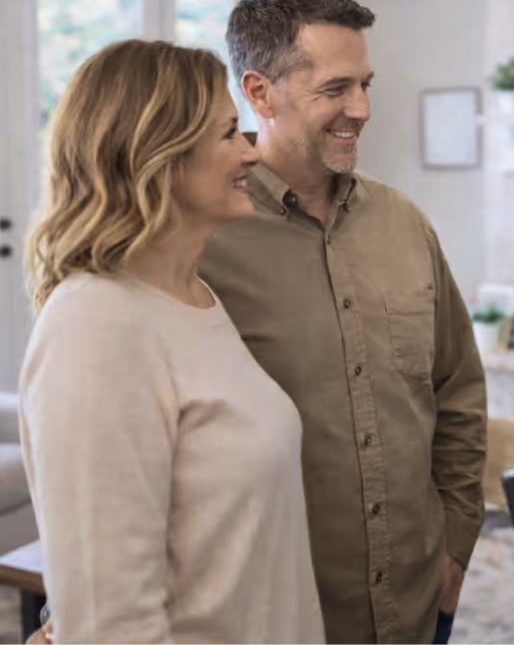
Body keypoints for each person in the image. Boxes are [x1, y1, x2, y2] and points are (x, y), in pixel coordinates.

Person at [199, 0, 487, 645]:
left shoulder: (404, 222)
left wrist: (457, 543)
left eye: (366, 84)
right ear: (259, 91)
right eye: (335, 88)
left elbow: (458, 388)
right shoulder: (202, 238)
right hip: (278, 616)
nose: (360, 108)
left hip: (418, 605)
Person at [19, 39, 324, 644]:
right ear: (157, 154)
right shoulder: (96, 325)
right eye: (229, 132)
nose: (251, 153)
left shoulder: (197, 300)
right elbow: (111, 623)